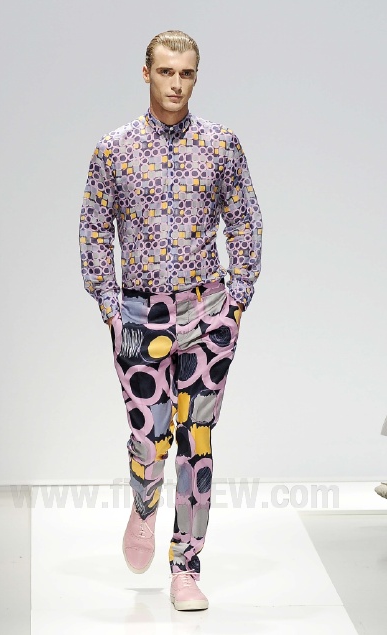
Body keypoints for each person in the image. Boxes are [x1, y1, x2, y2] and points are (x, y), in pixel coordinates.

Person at [79, 29, 262, 610]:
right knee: (148, 437)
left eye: (186, 73)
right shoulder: (115, 149)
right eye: (166, 72)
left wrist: (237, 299)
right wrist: (110, 305)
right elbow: (95, 227)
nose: (176, 84)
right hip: (140, 311)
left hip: (207, 310)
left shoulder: (221, 144)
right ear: (146, 73)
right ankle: (144, 506)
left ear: (196, 77)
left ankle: (186, 566)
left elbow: (245, 218)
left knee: (196, 442)